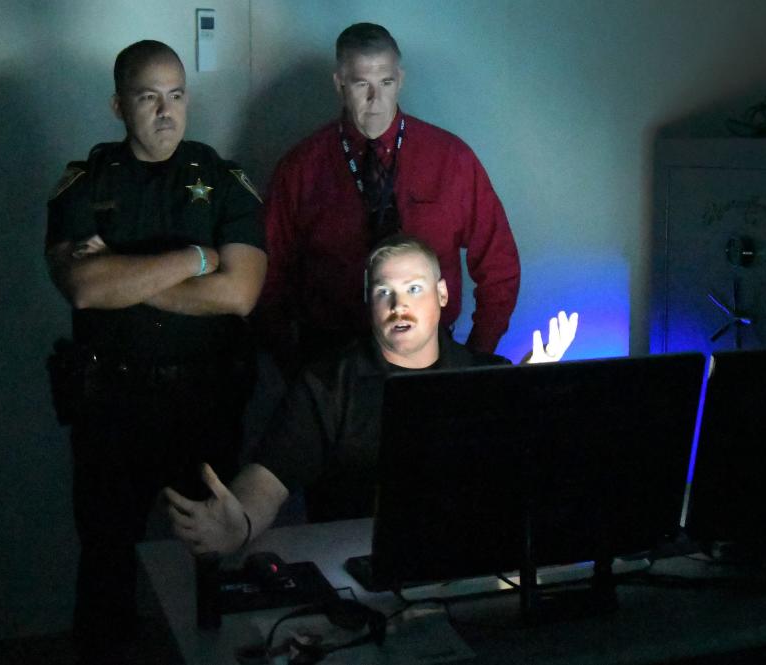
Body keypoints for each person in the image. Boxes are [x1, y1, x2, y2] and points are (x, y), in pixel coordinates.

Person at [44, 40, 266, 657]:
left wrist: (127, 275)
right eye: (148, 98)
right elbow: (85, 288)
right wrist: (196, 259)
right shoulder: (84, 183)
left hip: (204, 405)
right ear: (119, 106)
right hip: (110, 411)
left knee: (212, 568)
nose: (166, 112)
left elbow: (240, 294)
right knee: (106, 568)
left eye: (176, 95)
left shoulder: (223, 180)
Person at [164, 235, 575, 556]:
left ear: (443, 295)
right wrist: (242, 524)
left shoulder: (487, 377)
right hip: (359, 569)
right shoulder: (328, 384)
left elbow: (527, 486)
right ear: (368, 303)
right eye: (384, 292)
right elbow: (270, 476)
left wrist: (532, 399)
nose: (399, 305)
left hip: (471, 565)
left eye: (414, 289)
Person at [257, 22, 520, 370]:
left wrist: (473, 357)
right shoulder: (301, 168)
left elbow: (499, 264)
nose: (375, 100)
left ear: (400, 80)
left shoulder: (450, 159)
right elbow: (271, 274)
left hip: (431, 356)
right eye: (362, 84)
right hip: (331, 359)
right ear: (339, 85)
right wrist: (292, 363)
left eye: (385, 83)